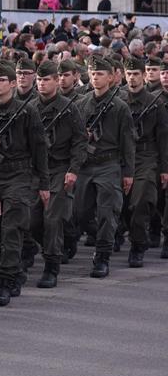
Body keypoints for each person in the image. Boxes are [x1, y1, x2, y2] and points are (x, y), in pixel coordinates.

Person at [0, 61, 48, 307]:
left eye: (2, 80)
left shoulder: (26, 111)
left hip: (20, 176)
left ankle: (5, 279)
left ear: (12, 83)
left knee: (11, 227)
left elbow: (40, 147)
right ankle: (15, 267)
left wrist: (43, 182)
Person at [72, 57, 134, 278]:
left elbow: (128, 142)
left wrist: (128, 173)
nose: (95, 77)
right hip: (86, 166)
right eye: (92, 73)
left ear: (111, 77)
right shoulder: (81, 103)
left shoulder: (120, 106)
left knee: (107, 213)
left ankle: (102, 256)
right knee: (80, 213)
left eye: (100, 73)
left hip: (109, 164)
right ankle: (104, 235)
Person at [29, 61, 87, 287]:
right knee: (32, 221)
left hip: (60, 169)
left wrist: (73, 170)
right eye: (40, 80)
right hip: (36, 172)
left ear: (56, 81)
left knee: (52, 219)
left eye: (47, 80)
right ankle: (65, 237)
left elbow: (80, 141)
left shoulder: (70, 108)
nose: (42, 84)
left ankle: (51, 267)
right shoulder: (30, 108)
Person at [122, 57, 167, 268]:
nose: (132, 78)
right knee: (117, 205)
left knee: (141, 201)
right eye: (129, 74)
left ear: (144, 75)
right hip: (120, 158)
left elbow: (163, 139)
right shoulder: (118, 101)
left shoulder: (155, 103)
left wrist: (164, 169)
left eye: (136, 74)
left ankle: (138, 245)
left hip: (146, 158)